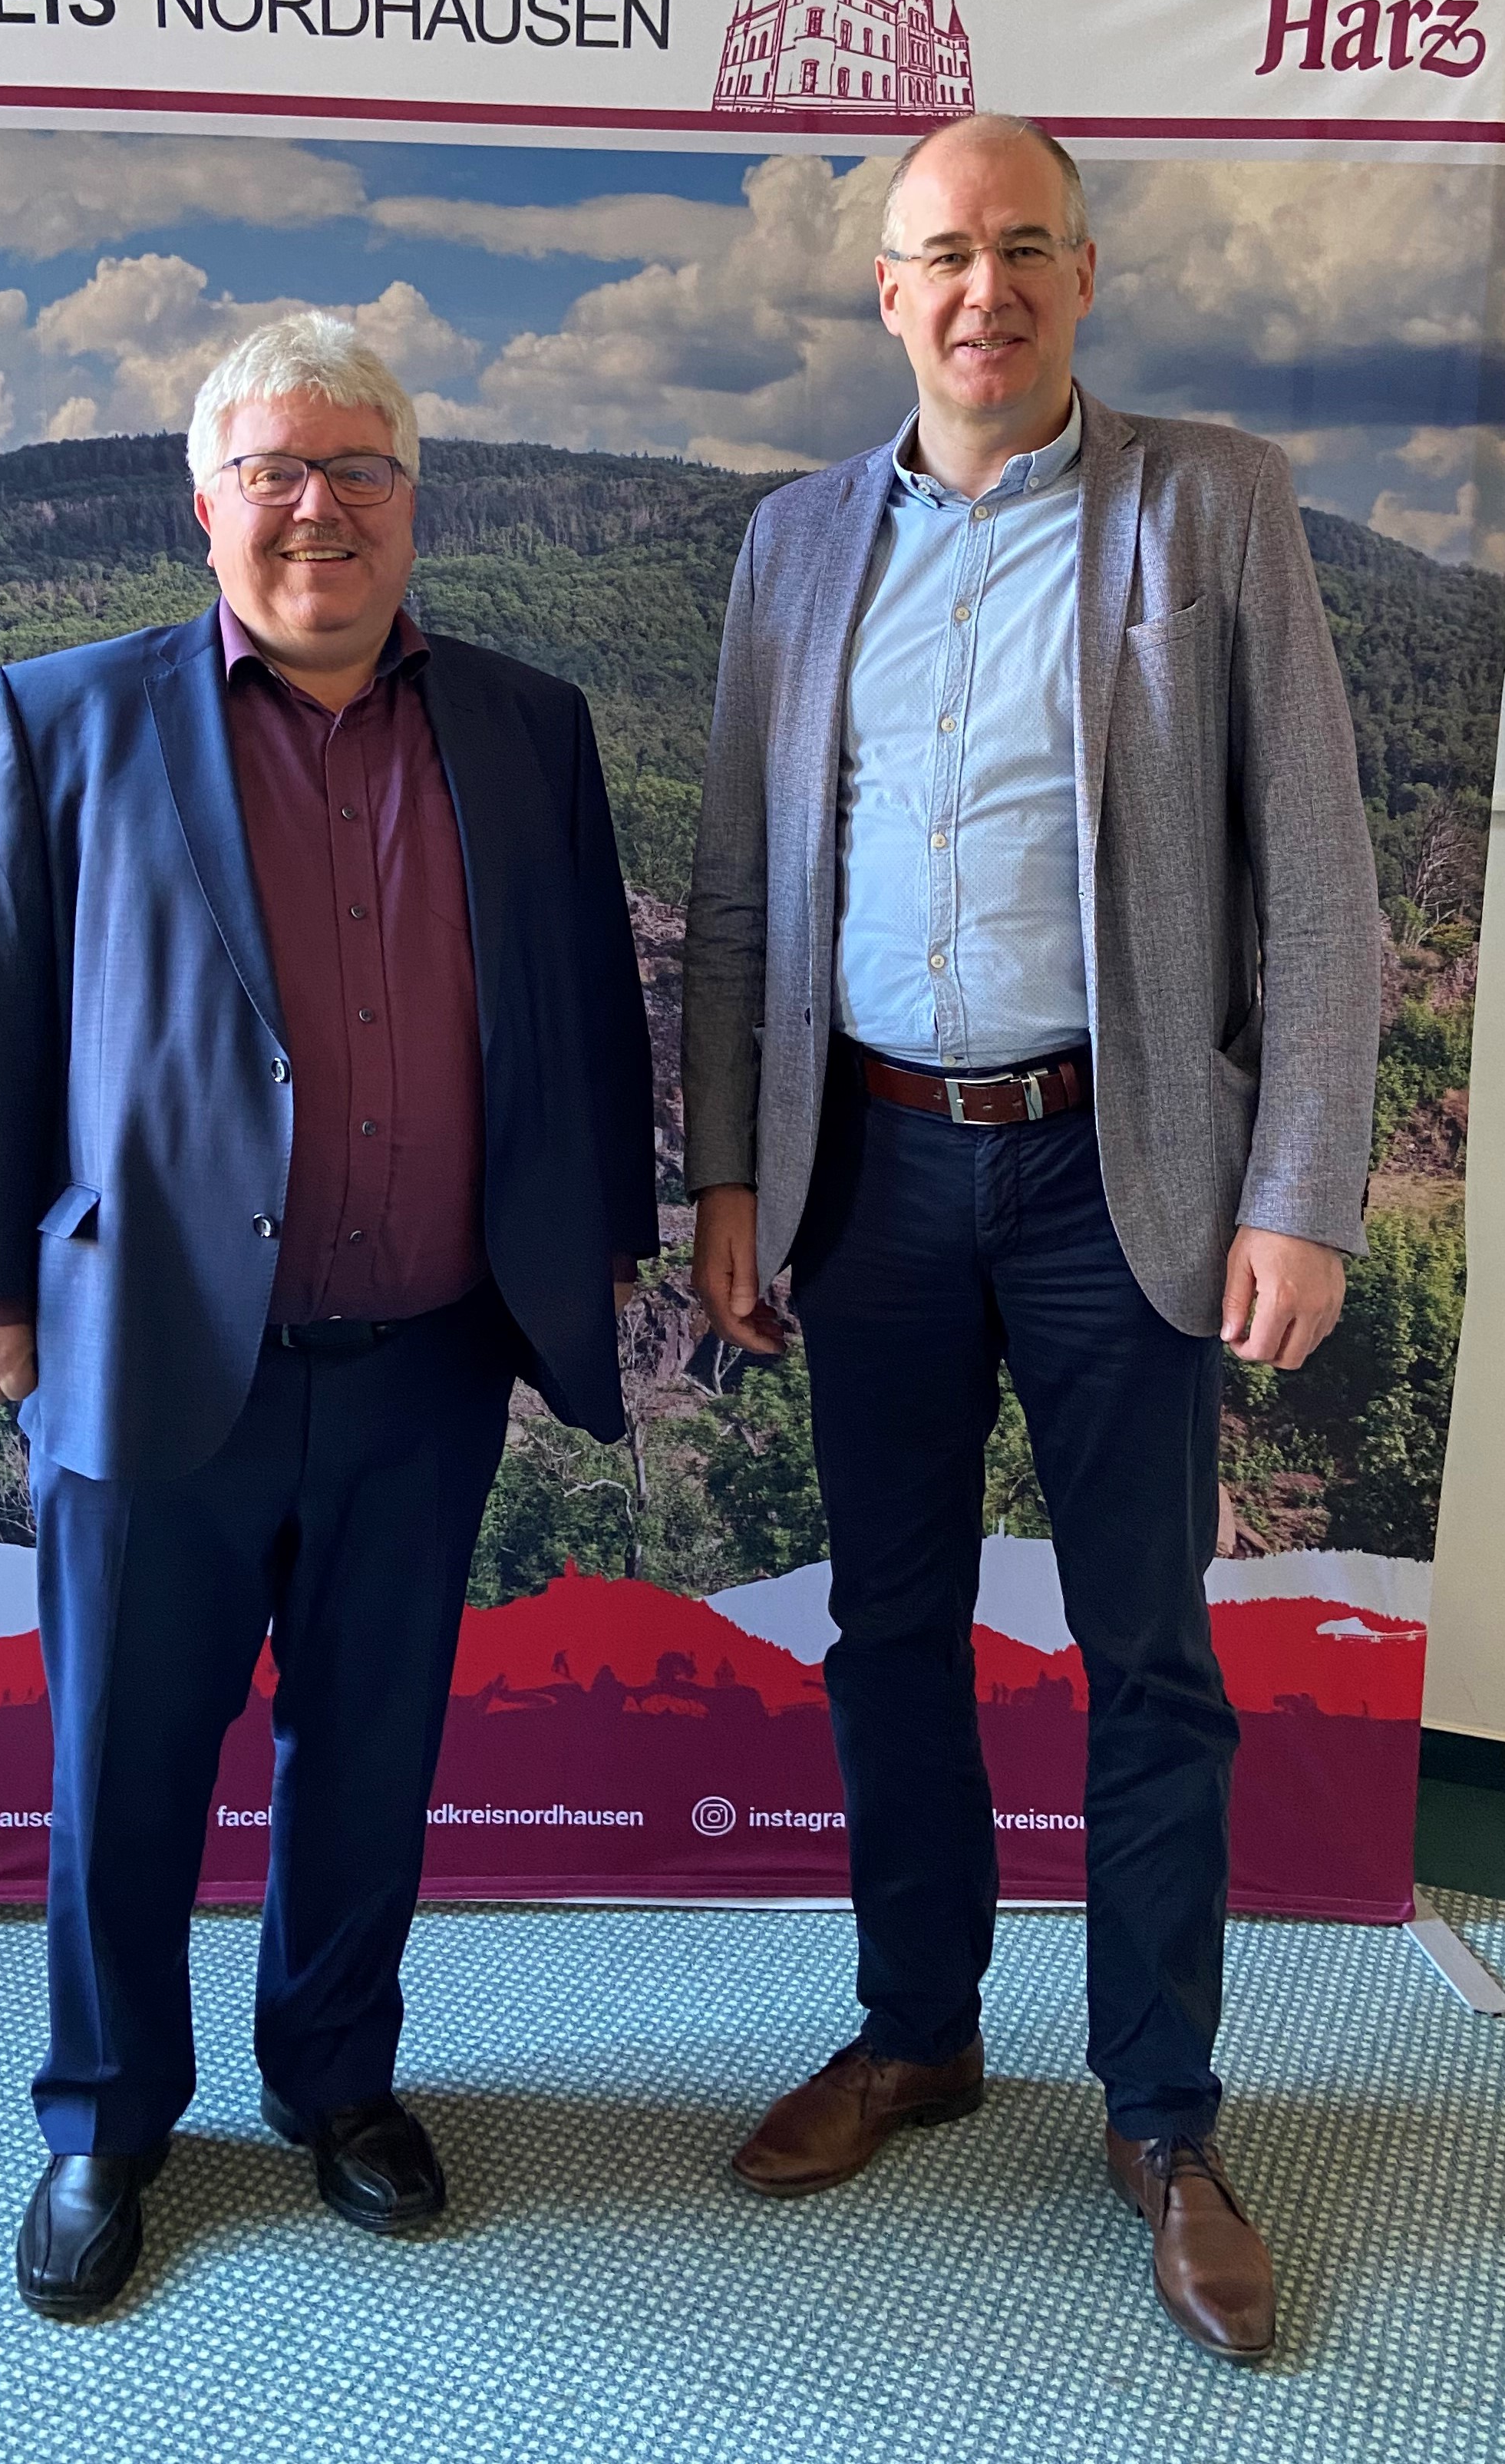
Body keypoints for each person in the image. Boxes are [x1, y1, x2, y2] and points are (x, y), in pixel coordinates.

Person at [682, 113, 1379, 2362]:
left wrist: (1295, 1193)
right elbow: (727, 905)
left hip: (1120, 1169)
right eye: (935, 256)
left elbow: (1322, 886)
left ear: (1082, 276)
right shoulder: (793, 544)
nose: (977, 290)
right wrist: (723, 1179)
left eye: (1018, 250)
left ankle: (1162, 2115)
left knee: (1146, 1660)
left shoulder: (1209, 500)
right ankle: (916, 2032)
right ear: (881, 295)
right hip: (864, 1172)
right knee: (886, 1631)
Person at [0, 312, 656, 2318]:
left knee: (368, 1757)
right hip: (151, 1348)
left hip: (426, 1357)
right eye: (273, 470)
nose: (316, 506)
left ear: (415, 500)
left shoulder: (525, 727)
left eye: (357, 469)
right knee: (124, 1769)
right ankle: (104, 2119)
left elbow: (585, 1012)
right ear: (206, 504)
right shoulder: (67, 717)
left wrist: (593, 1246)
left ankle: (337, 2083)